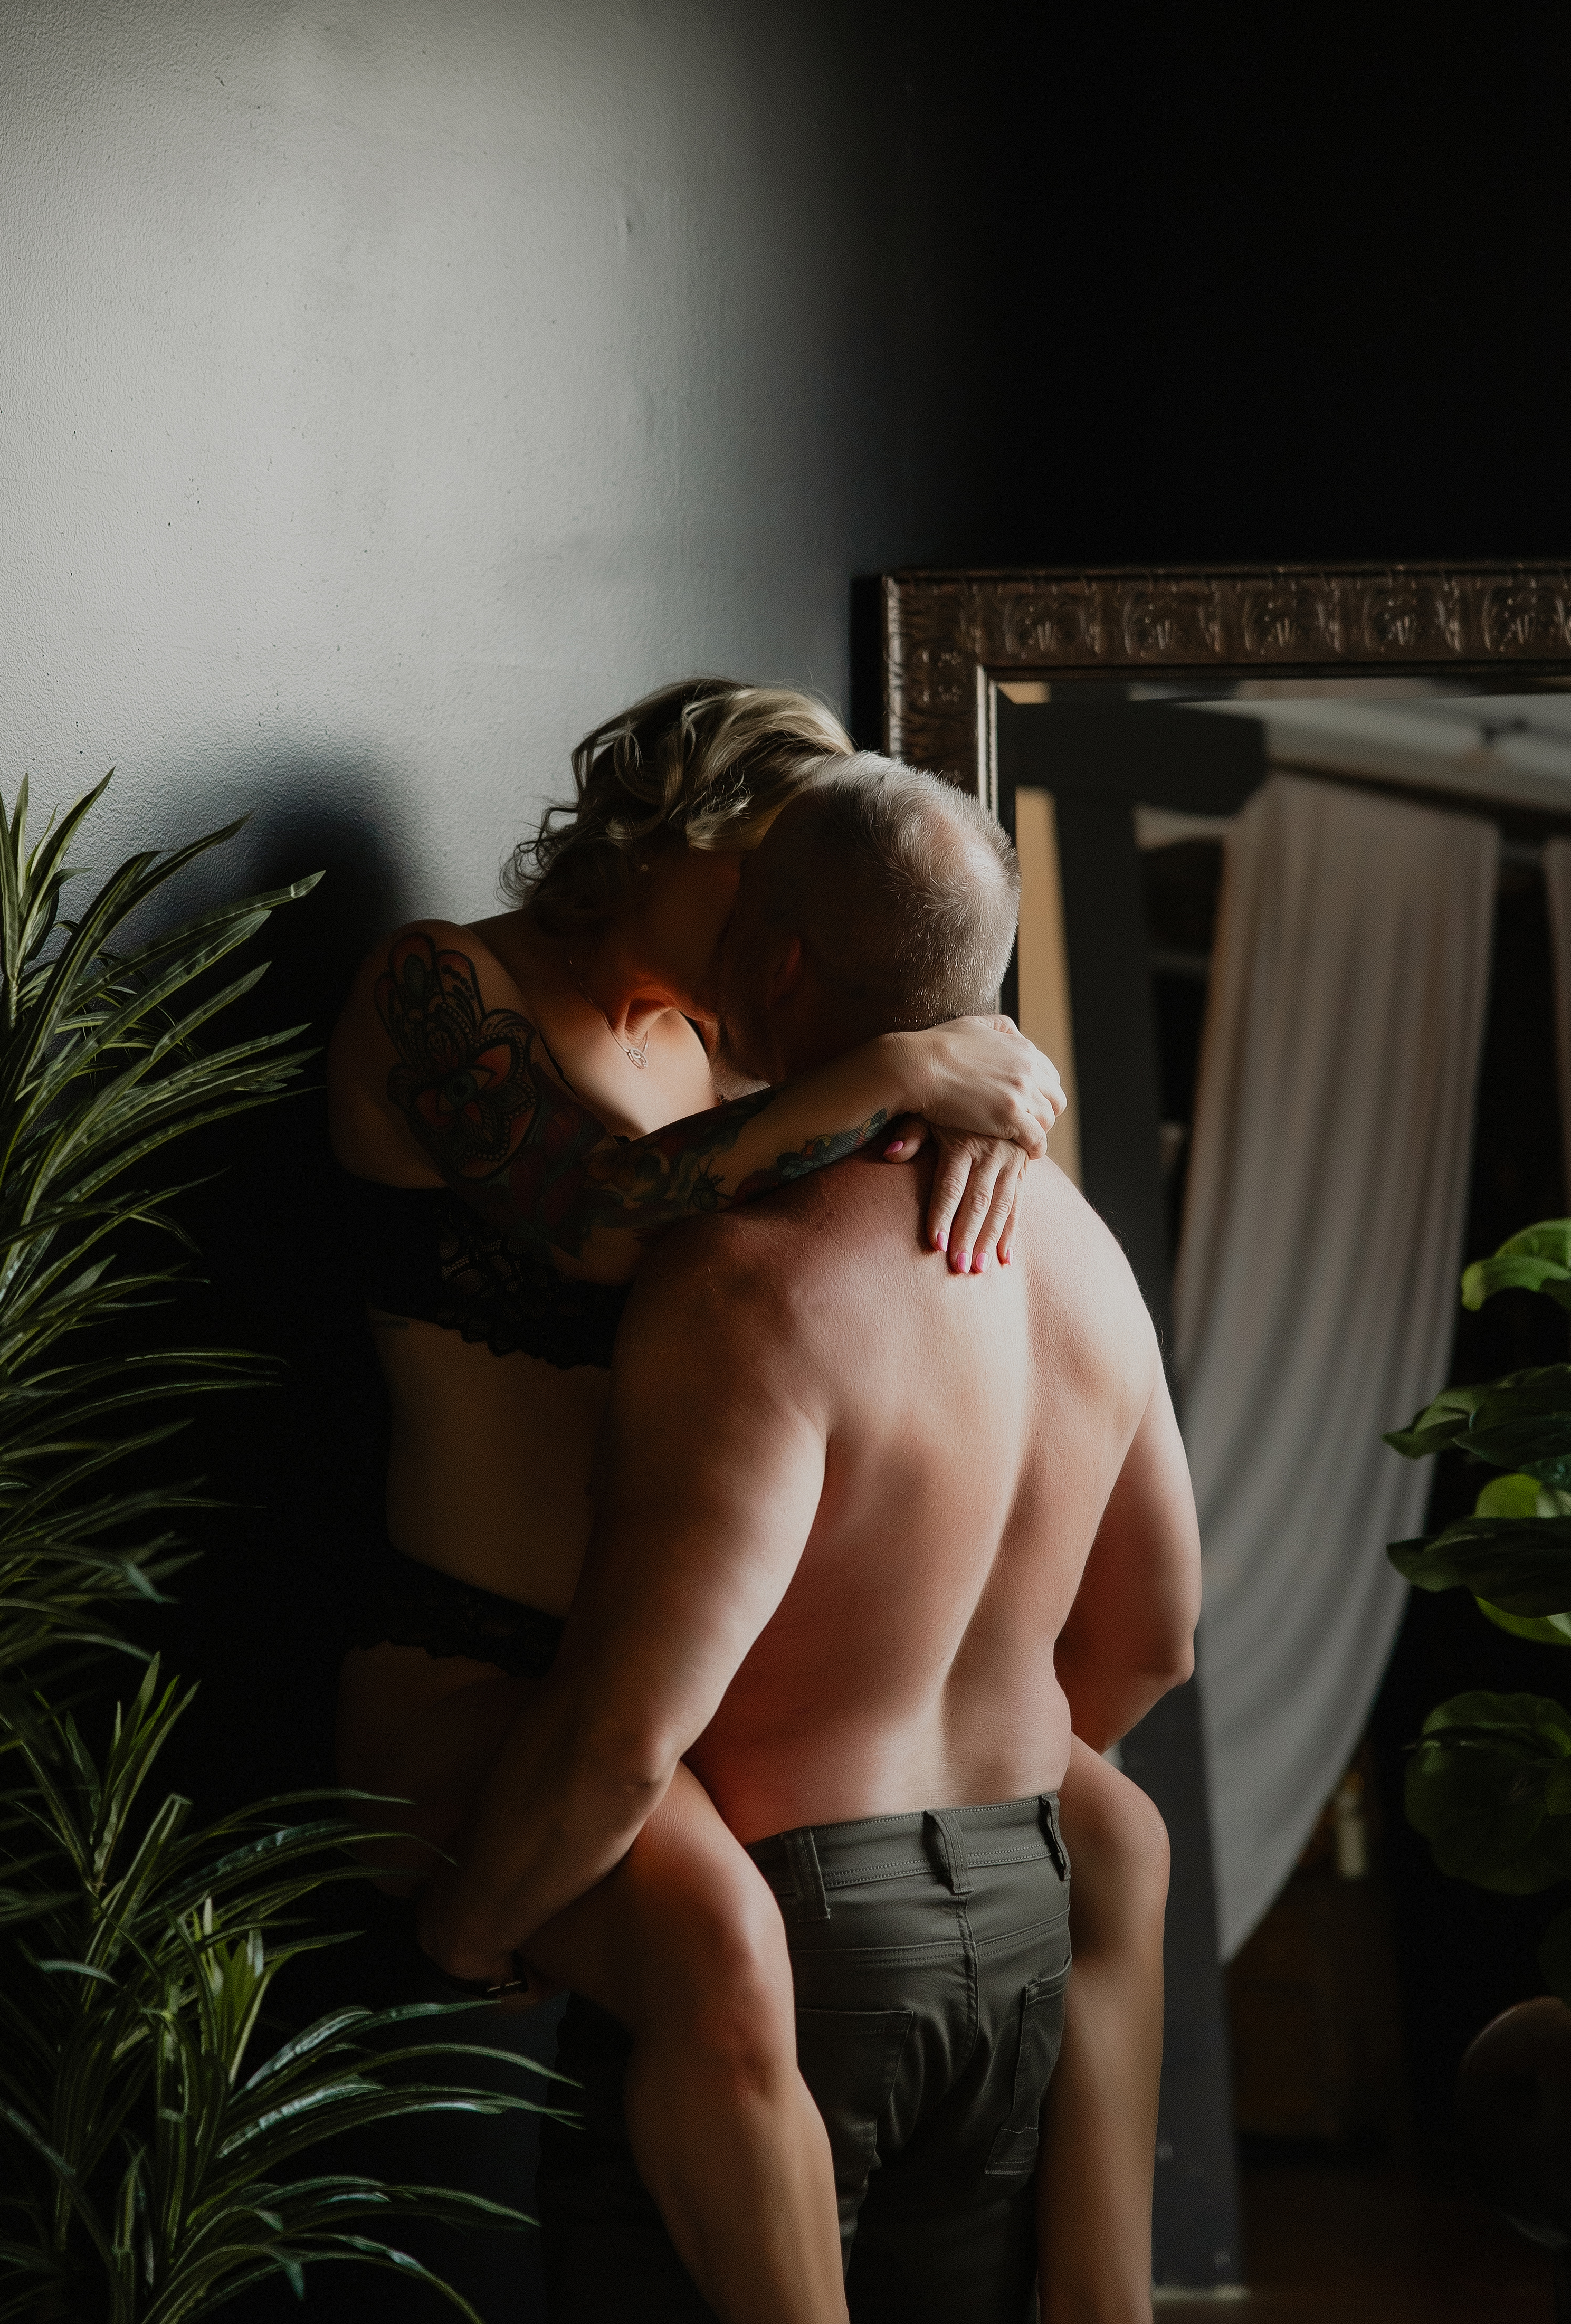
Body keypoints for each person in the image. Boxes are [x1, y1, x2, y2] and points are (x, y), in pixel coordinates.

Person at [330, 683, 1163, 2319]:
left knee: (1115, 1837)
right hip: (485, 1673)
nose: (803, 938)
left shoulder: (730, 1039)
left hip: (684, 1684)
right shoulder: (442, 981)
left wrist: (993, 1075)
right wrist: (901, 1067)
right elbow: (589, 1214)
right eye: (784, 882)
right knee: (724, 1948)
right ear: (685, 841)